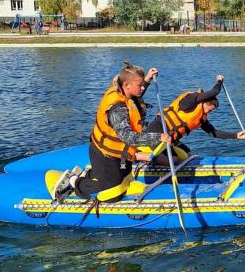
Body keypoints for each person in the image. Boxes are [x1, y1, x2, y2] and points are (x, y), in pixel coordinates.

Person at [52, 61, 172, 202]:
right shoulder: (117, 108)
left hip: (119, 152)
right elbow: (128, 137)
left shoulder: (126, 92)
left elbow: (136, 91)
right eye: (139, 85)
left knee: (126, 176)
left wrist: (147, 79)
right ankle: (75, 181)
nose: (142, 88)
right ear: (126, 85)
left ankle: (90, 174)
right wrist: (158, 137)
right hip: (105, 152)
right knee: (110, 191)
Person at [146, 75, 245, 155]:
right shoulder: (190, 101)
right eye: (209, 109)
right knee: (173, 159)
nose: (208, 113)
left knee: (189, 154)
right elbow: (215, 91)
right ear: (203, 102)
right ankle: (146, 158)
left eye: (211, 111)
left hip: (171, 138)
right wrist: (219, 81)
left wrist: (236, 136)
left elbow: (214, 133)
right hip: (158, 129)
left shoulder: (201, 119)